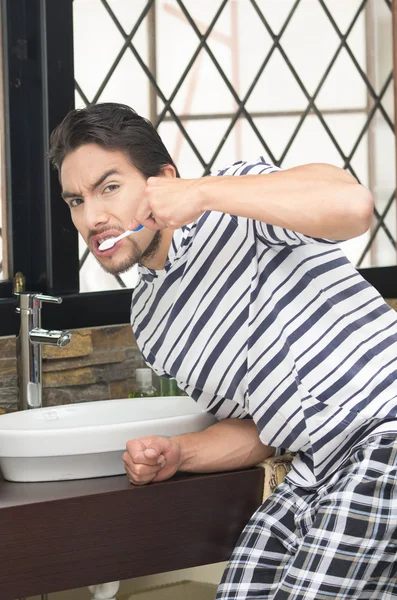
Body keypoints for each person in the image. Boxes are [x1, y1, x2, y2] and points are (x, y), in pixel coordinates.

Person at [49, 102, 397, 600]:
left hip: (387, 433)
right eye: (75, 201)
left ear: (161, 180)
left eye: (109, 188)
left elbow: (353, 206)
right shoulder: (151, 322)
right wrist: (179, 454)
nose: (93, 217)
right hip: (315, 470)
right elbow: (260, 430)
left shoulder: (237, 204)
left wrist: (205, 191)